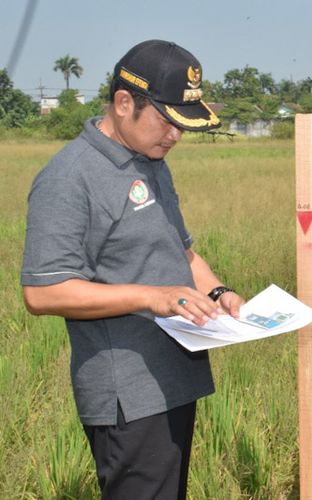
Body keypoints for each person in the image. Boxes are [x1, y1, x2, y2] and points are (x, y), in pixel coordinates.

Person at [21, 40, 243, 499]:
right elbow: (44, 292)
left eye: (181, 125)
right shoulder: (69, 177)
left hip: (174, 378)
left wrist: (220, 293)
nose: (174, 136)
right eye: (166, 121)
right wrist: (151, 296)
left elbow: (182, 253)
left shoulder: (152, 163)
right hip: (128, 395)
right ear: (124, 103)